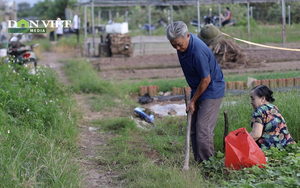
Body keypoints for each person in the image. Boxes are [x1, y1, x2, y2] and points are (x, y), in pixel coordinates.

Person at [166, 21, 225, 163]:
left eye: (180, 44)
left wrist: (193, 101)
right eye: (174, 45)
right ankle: (199, 161)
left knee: (203, 130)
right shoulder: (182, 45)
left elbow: (206, 80)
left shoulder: (198, 52)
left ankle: (208, 166)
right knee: (193, 129)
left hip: (211, 90)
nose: (178, 48)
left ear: (187, 36)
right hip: (198, 88)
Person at [249, 85, 294, 149]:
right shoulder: (274, 107)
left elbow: (256, 135)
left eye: (253, 99)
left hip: (271, 149)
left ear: (262, 99)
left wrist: (239, 143)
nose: (251, 102)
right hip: (286, 146)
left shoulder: (259, 110)